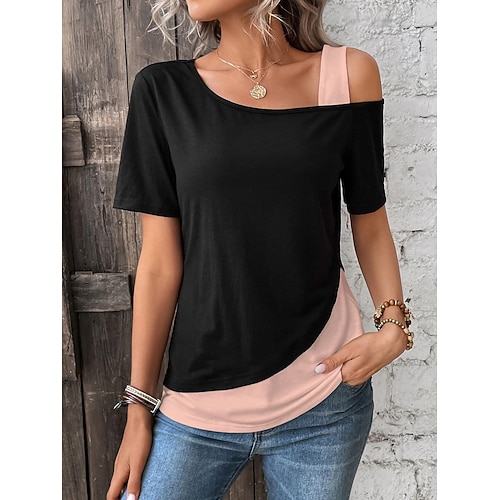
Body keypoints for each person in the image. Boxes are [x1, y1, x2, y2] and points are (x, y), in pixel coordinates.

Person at [107, 1, 414, 499]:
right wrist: (139, 407)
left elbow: (370, 219)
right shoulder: (163, 90)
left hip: (325, 399)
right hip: (197, 406)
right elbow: (160, 264)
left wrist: (394, 328)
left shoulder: (347, 75)